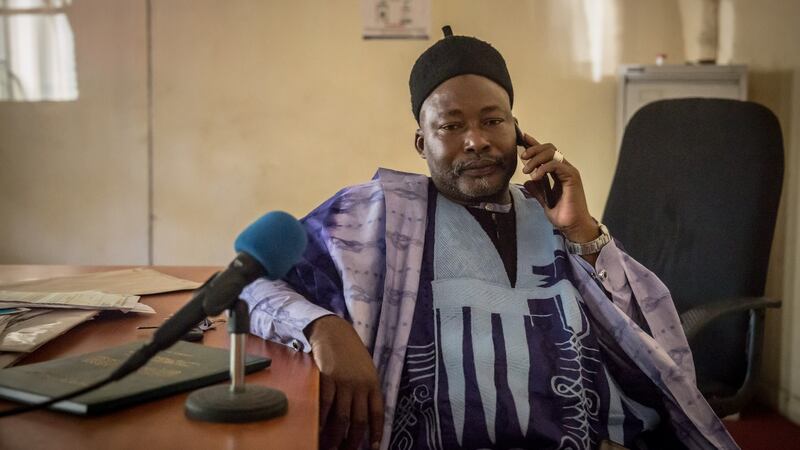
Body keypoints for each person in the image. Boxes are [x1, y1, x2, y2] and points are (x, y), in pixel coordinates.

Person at [240, 27, 739, 450]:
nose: (476, 140)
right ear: (421, 143)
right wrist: (324, 328)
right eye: (451, 126)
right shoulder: (370, 215)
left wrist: (583, 232)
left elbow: (655, 344)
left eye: (492, 121)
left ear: (518, 132)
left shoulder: (556, 216)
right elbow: (249, 287)